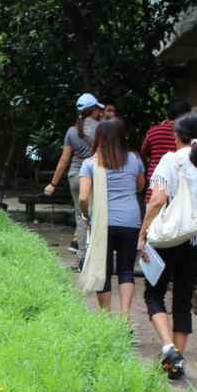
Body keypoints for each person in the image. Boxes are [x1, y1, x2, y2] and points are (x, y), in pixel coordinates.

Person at [138, 112, 197, 380]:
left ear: (176, 136)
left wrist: (143, 232)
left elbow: (158, 200)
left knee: (154, 294)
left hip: (168, 239)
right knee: (183, 298)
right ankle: (176, 362)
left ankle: (169, 347)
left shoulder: (170, 160)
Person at [77, 119, 146, 316]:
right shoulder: (134, 160)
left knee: (103, 270)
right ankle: (125, 317)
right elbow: (140, 186)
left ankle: (106, 317)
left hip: (102, 222)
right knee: (126, 270)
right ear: (122, 137)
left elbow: (83, 197)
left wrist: (85, 215)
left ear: (99, 138)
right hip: (130, 221)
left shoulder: (90, 163)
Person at [46, 93, 104, 269]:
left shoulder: (71, 131)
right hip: (95, 175)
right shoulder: (102, 129)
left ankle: (83, 258)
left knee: (81, 216)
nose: (99, 112)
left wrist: (53, 184)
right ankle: (98, 257)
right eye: (97, 109)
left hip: (75, 175)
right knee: (98, 215)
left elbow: (64, 159)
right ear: (93, 110)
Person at [140, 98, 190, 204]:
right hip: (181, 192)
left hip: (155, 191)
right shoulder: (189, 135)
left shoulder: (153, 132)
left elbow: (143, 153)